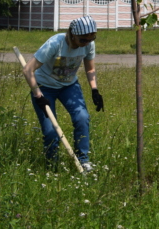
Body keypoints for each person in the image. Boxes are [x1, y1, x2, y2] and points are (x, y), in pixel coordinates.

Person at [22, 16, 103, 172]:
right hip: (44, 88)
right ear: (73, 35)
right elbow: (28, 69)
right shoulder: (55, 44)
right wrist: (38, 95)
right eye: (83, 40)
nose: (86, 43)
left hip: (69, 86)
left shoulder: (88, 45)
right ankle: (52, 167)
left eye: (91, 38)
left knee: (82, 118)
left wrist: (95, 90)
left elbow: (90, 68)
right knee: (51, 130)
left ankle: (83, 160)